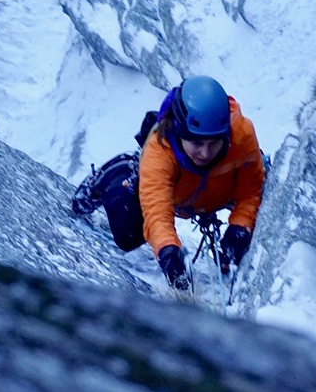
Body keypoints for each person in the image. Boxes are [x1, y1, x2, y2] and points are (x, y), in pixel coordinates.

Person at [72, 75, 265, 290]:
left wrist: (240, 226)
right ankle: (117, 173)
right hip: (176, 194)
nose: (205, 152)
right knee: (126, 236)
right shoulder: (159, 152)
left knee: (259, 215)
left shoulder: (242, 136)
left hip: (217, 191)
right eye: (197, 142)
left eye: (214, 143)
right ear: (180, 131)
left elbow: (252, 190)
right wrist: (168, 252)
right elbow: (156, 213)